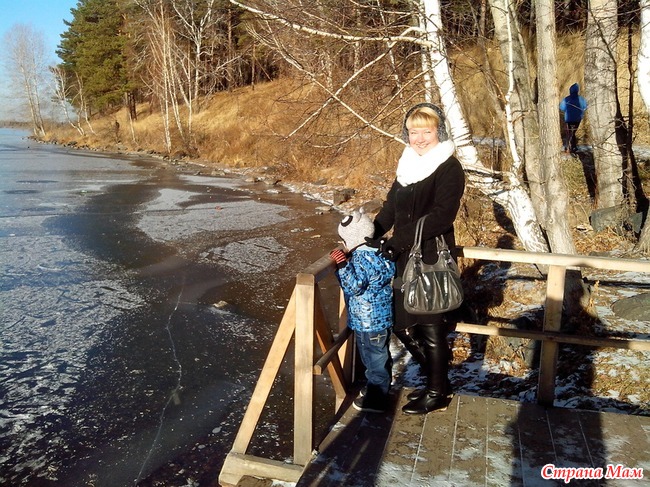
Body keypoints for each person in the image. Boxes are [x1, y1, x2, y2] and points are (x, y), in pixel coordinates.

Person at [366, 103, 465, 415]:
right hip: (402, 257)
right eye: (413, 132)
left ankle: (436, 392)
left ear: (439, 132)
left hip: (430, 258)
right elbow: (390, 208)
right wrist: (369, 235)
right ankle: (439, 383)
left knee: (430, 329)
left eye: (427, 131)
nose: (419, 138)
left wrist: (398, 240)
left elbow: (442, 216)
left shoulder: (449, 167)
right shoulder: (407, 165)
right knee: (401, 323)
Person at [330, 209, 396, 413]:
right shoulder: (378, 253)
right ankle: (378, 388)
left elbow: (353, 286)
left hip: (368, 320)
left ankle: (377, 398)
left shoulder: (360, 259)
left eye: (344, 240)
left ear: (353, 240)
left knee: (373, 357)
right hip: (381, 318)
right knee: (379, 356)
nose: (343, 244)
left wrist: (342, 265)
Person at [559, 83, 588, 154]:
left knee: (569, 133)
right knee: (573, 132)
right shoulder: (581, 99)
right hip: (577, 119)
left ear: (570, 90)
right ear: (577, 90)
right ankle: (573, 147)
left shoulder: (566, 99)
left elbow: (561, 107)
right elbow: (585, 107)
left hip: (568, 119)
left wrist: (566, 110)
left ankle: (568, 147)